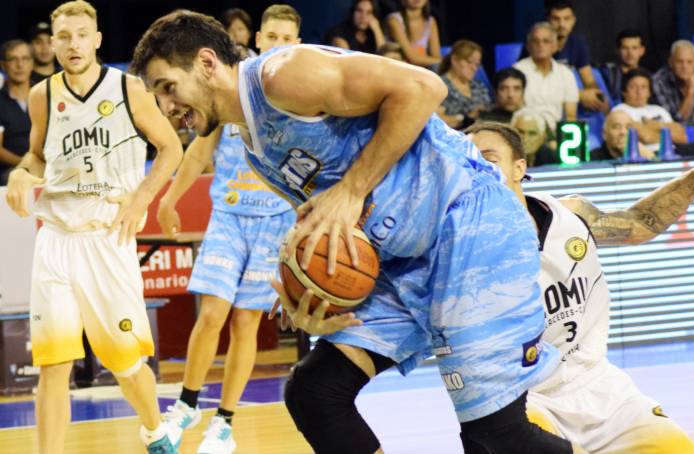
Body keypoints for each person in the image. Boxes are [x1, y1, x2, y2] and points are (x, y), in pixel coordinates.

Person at [131, 10, 588, 454]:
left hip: (467, 224)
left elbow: (424, 88)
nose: (166, 109)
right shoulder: (254, 149)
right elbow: (328, 221)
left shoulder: (282, 75)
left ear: (207, 63)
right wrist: (306, 286)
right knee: (315, 391)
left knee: (494, 433)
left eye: (168, 87)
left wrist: (352, 189)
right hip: (402, 260)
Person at [3, 1, 183, 453]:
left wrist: (141, 197)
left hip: (107, 238)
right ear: (53, 44)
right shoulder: (43, 95)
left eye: (82, 35)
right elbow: (37, 155)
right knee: (53, 365)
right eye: (64, 37)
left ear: (97, 39)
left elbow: (171, 148)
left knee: (125, 363)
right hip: (56, 239)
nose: (73, 44)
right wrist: (22, 173)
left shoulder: (129, 89)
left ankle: (154, 429)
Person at [470, 120, 694, 454]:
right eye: (468, 162)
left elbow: (640, 224)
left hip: (599, 385)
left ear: (519, 168)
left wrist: (693, 180)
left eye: (488, 159)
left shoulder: (571, 216)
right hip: (526, 399)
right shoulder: (463, 249)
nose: (477, 169)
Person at [157, 5, 300, 453]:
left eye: (286, 39)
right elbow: (200, 151)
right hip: (229, 216)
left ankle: (224, 422)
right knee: (212, 313)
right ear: (258, 39)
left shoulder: (302, 97)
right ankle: (186, 404)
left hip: (275, 222)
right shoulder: (230, 84)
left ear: (297, 44)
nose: (277, 45)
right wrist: (169, 199)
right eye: (271, 36)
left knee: (245, 323)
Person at [546, 0, 609, 113]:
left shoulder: (578, 42)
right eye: (556, 19)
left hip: (568, 98)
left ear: (573, 20)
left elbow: (588, 79)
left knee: (602, 100)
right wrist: (579, 95)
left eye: (566, 19)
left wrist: (596, 95)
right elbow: (540, 86)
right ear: (548, 21)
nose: (561, 24)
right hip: (545, 103)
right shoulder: (539, 44)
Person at [514, 22, 579, 130]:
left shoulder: (566, 74)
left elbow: (571, 116)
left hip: (555, 132)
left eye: (546, 41)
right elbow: (514, 109)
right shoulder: (517, 70)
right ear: (528, 46)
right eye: (535, 41)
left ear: (555, 46)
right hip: (526, 130)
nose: (540, 45)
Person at [612, 68, 686, 152]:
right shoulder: (620, 111)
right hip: (646, 155)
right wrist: (668, 130)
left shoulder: (659, 110)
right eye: (633, 87)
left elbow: (682, 137)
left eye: (643, 87)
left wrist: (654, 124)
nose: (639, 92)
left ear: (649, 92)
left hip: (673, 152)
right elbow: (646, 137)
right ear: (624, 92)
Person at [436, 39, 492, 130]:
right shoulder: (440, 86)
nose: (474, 68)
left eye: (477, 64)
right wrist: (465, 118)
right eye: (469, 62)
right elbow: (434, 121)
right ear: (454, 60)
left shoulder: (478, 86)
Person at [0, 40, 32, 185]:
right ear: (3, 65)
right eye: (13, 59)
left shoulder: (45, 96)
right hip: (12, 169)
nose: (20, 65)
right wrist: (26, 164)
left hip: (49, 165)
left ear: (32, 63)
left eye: (25, 59)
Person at [386, 0, 441, 68]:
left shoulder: (430, 21)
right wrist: (442, 62)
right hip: (400, 67)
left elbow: (436, 56)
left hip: (424, 68)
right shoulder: (394, 20)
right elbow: (411, 58)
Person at [653, 40, 694, 125]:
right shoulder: (659, 82)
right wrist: (690, 94)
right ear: (670, 62)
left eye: (689, 62)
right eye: (679, 62)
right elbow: (674, 123)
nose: (684, 67)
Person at [600, 29, 647, 104]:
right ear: (617, 50)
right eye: (625, 48)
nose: (630, 53)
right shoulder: (607, 73)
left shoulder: (647, 76)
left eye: (634, 48)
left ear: (642, 51)